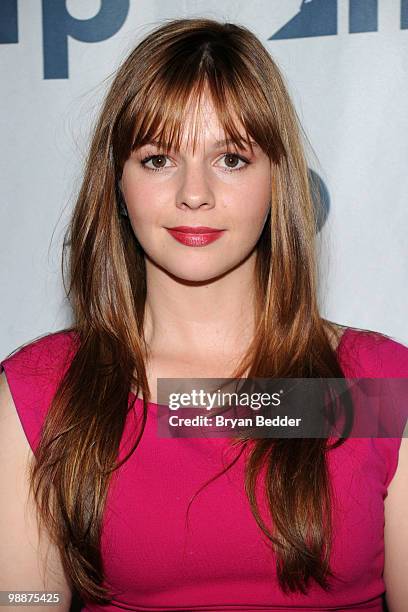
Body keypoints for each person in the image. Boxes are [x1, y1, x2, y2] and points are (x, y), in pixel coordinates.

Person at [0, 17, 407, 612]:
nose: (195, 193)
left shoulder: (377, 383)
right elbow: (25, 600)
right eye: (158, 158)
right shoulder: (40, 391)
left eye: (232, 159)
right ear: (117, 182)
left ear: (278, 180)